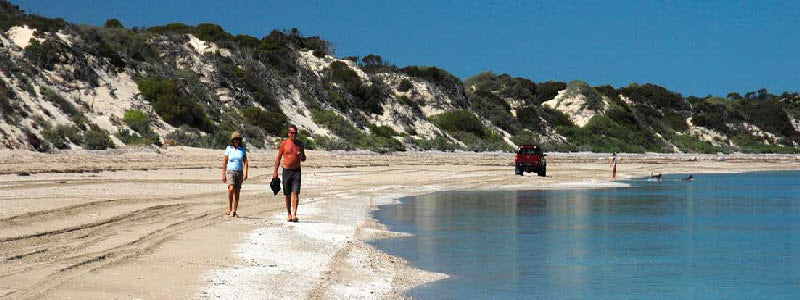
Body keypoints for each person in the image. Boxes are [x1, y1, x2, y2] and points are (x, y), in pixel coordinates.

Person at [273, 125, 306, 222]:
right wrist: (275, 171)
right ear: (288, 134)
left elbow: (304, 159)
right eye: (292, 133)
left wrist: (301, 155)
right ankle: (289, 214)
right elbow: (278, 157)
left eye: (295, 133)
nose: (293, 135)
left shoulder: (300, 144)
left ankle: (295, 213)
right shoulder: (284, 144)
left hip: (296, 171)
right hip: (286, 171)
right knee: (287, 194)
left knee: (295, 192)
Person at [222, 132, 248, 217]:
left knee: (237, 192)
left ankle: (234, 210)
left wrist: (245, 173)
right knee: (231, 188)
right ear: (233, 140)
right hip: (230, 171)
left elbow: (245, 162)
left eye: (238, 139)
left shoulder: (242, 149)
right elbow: (225, 162)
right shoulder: (229, 148)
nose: (236, 141)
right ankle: (229, 207)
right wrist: (223, 174)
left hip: (239, 172)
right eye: (235, 139)